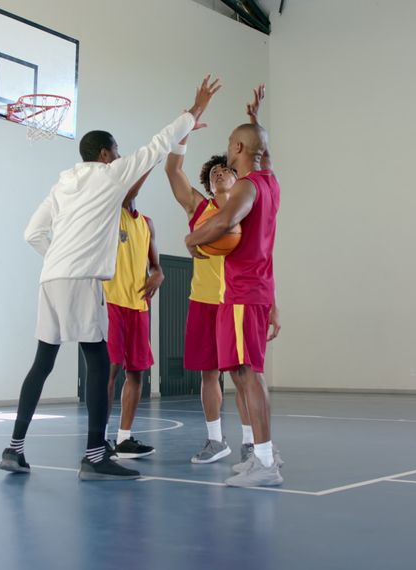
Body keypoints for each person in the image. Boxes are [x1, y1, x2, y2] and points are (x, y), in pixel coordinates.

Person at [0, 76, 221, 481]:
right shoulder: (110, 175)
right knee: (99, 362)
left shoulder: (61, 185)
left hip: (50, 279)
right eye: (116, 151)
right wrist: (194, 111)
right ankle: (95, 456)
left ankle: (14, 449)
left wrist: (58, 260)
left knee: (42, 363)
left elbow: (32, 233)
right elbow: (157, 146)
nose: (120, 156)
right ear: (105, 154)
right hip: (83, 278)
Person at [185, 85, 282, 487]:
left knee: (248, 375)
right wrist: (257, 122)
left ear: (238, 146)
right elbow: (266, 152)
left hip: (242, 292)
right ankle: (261, 454)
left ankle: (265, 461)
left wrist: (191, 239)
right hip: (252, 291)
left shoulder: (246, 187)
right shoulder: (270, 180)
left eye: (230, 142)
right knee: (244, 376)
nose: (227, 148)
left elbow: (225, 222)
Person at [164, 139, 258, 465]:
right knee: (209, 374)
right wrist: (184, 130)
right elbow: (172, 169)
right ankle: (216, 441)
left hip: (235, 301)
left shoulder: (246, 212)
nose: (220, 174)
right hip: (203, 301)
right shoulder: (198, 208)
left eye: (226, 171)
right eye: (215, 172)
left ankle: (249, 442)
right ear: (209, 181)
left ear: (237, 179)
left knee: (241, 373)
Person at [103, 170, 161, 459]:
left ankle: (124, 439)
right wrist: (152, 158)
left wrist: (158, 275)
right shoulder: (110, 214)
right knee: (108, 372)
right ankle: (98, 439)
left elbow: (156, 266)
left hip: (139, 306)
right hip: (111, 302)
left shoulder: (147, 224)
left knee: (136, 373)